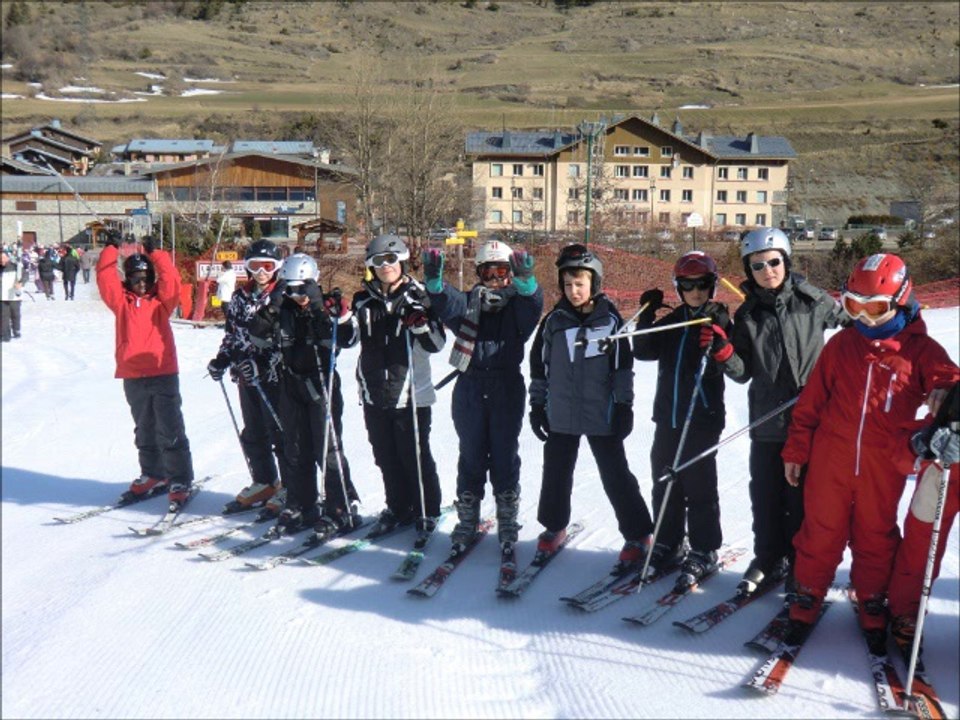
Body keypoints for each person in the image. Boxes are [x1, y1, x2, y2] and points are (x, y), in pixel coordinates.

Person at [781, 254, 959, 647]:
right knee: (821, 529)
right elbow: (810, 404)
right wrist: (797, 450)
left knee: (875, 533)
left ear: (901, 299)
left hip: (883, 462)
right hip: (831, 458)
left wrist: (946, 393)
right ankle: (808, 590)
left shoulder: (920, 351)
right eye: (853, 306)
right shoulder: (842, 345)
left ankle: (872, 596)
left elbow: (948, 380)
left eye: (875, 308)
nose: (864, 318)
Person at [723, 227, 846, 595]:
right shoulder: (747, 315)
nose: (767, 270)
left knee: (802, 499)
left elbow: (852, 327)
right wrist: (725, 355)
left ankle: (800, 563)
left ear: (786, 261)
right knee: (764, 493)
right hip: (768, 420)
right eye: (757, 265)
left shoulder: (811, 301)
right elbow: (743, 373)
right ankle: (768, 558)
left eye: (774, 262)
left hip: (812, 420)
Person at [528, 243, 654, 569]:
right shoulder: (554, 322)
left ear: (594, 283)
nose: (573, 291)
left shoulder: (610, 321)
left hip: (602, 413)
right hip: (561, 413)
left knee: (615, 474)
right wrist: (538, 406)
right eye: (567, 284)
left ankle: (638, 533)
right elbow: (538, 367)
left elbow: (622, 370)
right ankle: (554, 526)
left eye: (580, 284)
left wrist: (624, 406)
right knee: (555, 472)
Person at [421, 239, 544, 551]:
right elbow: (448, 304)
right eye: (487, 271)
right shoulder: (468, 303)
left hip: (506, 385)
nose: (495, 277)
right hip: (471, 386)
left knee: (504, 453)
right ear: (478, 272)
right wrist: (435, 286)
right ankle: (467, 517)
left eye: (502, 270)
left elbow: (532, 306)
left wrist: (528, 283)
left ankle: (506, 516)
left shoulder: (517, 306)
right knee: (471, 453)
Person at [631, 251, 737, 582]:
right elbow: (643, 350)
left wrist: (718, 341)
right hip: (668, 416)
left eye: (703, 285)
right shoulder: (677, 319)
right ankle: (668, 541)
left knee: (699, 484)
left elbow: (731, 359)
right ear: (678, 288)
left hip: (701, 417)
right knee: (664, 481)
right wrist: (647, 313)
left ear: (713, 286)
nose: (696, 292)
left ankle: (705, 548)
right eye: (688, 286)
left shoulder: (717, 318)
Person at [247, 253, 361, 535]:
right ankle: (302, 503)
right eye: (291, 288)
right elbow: (257, 337)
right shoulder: (281, 309)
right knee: (294, 448)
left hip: (321, 384)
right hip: (291, 384)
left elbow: (349, 338)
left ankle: (341, 505)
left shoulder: (325, 308)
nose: (297, 295)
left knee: (328, 449)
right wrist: (273, 306)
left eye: (302, 288)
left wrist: (323, 308)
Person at [353, 234, 446, 539]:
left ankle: (426, 510)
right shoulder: (362, 300)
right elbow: (348, 339)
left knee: (414, 456)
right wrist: (339, 318)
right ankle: (398, 507)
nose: (386, 266)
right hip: (374, 391)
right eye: (379, 261)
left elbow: (437, 343)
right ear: (371, 265)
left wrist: (420, 325)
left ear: (402, 261)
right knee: (384, 455)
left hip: (411, 393)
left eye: (391, 260)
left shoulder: (420, 295)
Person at [96, 233, 196, 507]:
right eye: (135, 279)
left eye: (146, 279)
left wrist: (158, 255)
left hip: (162, 371)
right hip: (133, 374)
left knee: (170, 427)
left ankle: (180, 478)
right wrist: (111, 250)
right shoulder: (122, 303)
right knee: (144, 428)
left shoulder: (162, 303)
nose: (141, 285)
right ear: (127, 280)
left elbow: (172, 283)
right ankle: (153, 473)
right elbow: (105, 280)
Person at [207, 240, 289, 515]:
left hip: (276, 377)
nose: (261, 272)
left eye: (268, 266)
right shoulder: (241, 298)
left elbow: (287, 339)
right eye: (255, 266)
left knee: (281, 431)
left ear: (277, 267)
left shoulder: (284, 295)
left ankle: (291, 484)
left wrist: (265, 364)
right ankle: (265, 481)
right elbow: (233, 335)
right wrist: (223, 359)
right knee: (253, 432)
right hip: (247, 376)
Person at [887, 382, 959, 656]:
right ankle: (905, 614)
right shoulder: (954, 394)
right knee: (921, 549)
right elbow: (901, 456)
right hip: (946, 473)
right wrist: (923, 442)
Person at [1, 246, 24, 342]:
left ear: (7, 257)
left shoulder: (15, 266)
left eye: (2, 258)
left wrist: (20, 282)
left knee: (15, 314)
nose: (1, 260)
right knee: (3, 316)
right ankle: (5, 335)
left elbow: (24, 275)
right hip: (2, 296)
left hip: (14, 295)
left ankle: (16, 330)